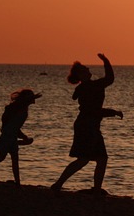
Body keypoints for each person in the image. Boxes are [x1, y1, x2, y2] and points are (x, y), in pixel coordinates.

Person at [52, 54, 123, 193]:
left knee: (102, 159)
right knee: (84, 159)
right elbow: (93, 110)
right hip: (86, 126)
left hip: (91, 126)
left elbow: (109, 79)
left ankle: (96, 188)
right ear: (81, 74)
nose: (88, 68)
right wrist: (113, 112)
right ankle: (58, 184)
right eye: (85, 68)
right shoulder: (89, 87)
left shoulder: (91, 86)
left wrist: (106, 61)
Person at [0, 88, 41, 185]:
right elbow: (13, 126)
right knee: (3, 157)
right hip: (8, 136)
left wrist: (23, 138)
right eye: (32, 98)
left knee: (11, 159)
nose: (34, 101)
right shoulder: (18, 110)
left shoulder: (20, 109)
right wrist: (24, 138)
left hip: (11, 136)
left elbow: (13, 127)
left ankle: (17, 182)